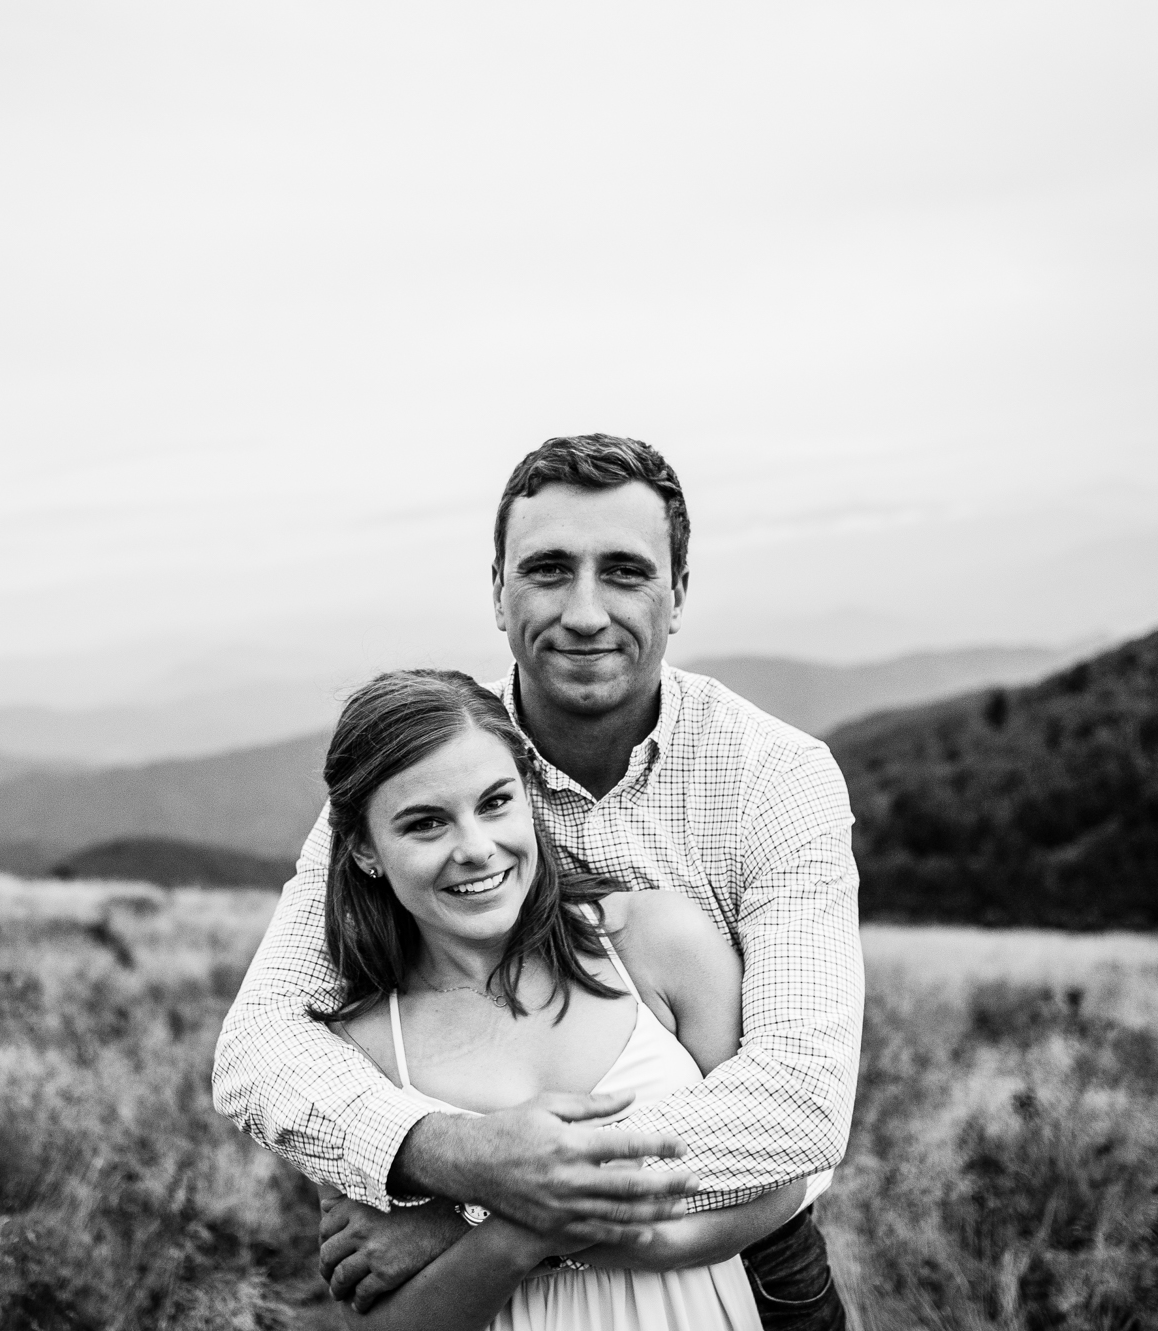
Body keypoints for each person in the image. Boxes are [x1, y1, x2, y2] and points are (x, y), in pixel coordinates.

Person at [215, 435, 862, 1328]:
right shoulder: (432, 765)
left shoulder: (777, 776)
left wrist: (473, 1213)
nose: (586, 612)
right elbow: (257, 1050)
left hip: (748, 1260)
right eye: (550, 569)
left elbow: (799, 1107)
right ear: (497, 590)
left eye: (626, 571)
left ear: (677, 593)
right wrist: (450, 1151)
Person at [305, 668, 808, 1328]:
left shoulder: (654, 942)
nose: (477, 848)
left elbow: (777, 1187)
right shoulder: (354, 1052)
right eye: (426, 823)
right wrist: (517, 1233)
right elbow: (383, 1319)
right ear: (367, 849)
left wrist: (471, 1224)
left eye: (494, 803)